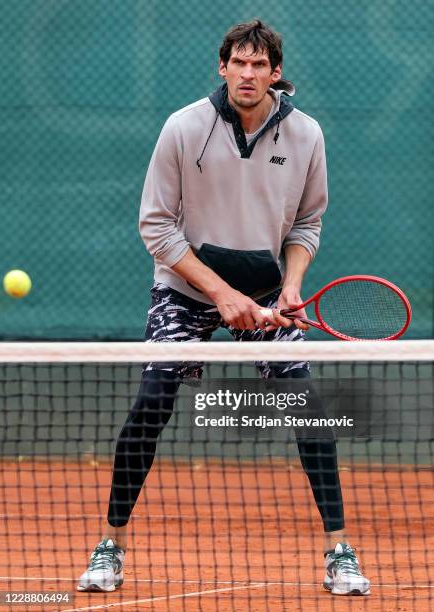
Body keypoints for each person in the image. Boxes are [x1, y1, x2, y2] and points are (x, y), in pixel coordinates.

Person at [78, 19, 370, 597]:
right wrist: (220, 294)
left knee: (307, 408)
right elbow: (157, 227)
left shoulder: (307, 135)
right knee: (151, 402)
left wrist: (291, 285)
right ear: (222, 66)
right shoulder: (184, 128)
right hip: (186, 290)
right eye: (239, 62)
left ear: (276, 73)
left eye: (260, 64)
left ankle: (340, 550)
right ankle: (110, 543)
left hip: (266, 295)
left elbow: (308, 223)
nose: (248, 73)